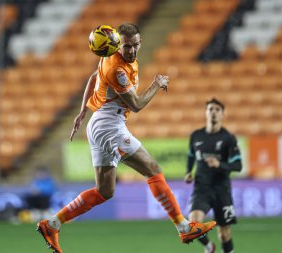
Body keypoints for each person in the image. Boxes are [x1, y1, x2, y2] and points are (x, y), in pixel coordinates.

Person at [36, 23, 216, 253]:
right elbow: (137, 105)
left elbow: (94, 76)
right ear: (119, 44)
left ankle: (52, 224)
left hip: (100, 124)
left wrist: (82, 111)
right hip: (110, 126)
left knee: (104, 191)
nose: (131, 50)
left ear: (140, 42)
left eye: (135, 45)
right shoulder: (118, 70)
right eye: (127, 46)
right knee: (153, 168)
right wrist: (157, 84)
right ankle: (183, 227)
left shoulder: (110, 55)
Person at [185, 98, 242, 253]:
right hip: (202, 189)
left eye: (217, 110)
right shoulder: (196, 136)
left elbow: (238, 166)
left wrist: (220, 165)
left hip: (222, 190)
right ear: (206, 113)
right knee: (193, 225)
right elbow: (191, 155)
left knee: (224, 234)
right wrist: (188, 172)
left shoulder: (228, 138)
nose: (213, 112)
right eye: (210, 109)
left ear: (222, 114)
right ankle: (209, 247)